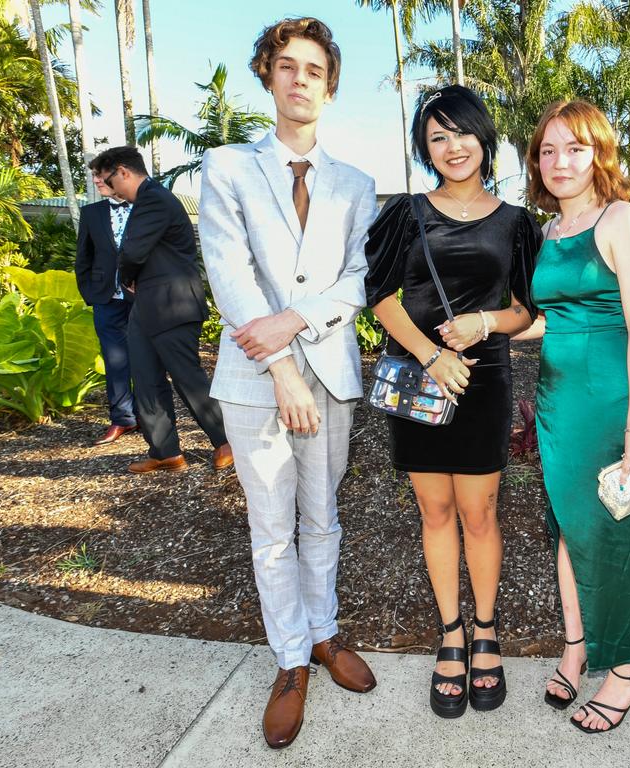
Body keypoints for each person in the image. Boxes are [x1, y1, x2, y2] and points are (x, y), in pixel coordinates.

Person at [197, 17, 377, 750]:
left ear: (329, 87)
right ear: (268, 77)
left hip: (330, 367)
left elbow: (360, 278)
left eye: (313, 69)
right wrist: (276, 362)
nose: (300, 79)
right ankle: (291, 659)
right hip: (253, 375)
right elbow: (229, 270)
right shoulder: (227, 166)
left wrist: (293, 321)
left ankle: (325, 631)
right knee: (271, 528)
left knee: (323, 514)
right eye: (287, 67)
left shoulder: (357, 183)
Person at [364, 85, 541, 718]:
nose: (451, 146)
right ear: (424, 149)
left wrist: (485, 325)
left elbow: (525, 309)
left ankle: (487, 631)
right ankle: (451, 634)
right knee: (435, 512)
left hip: (484, 383)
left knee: (481, 514)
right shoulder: (404, 213)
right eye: (436, 137)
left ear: (483, 138)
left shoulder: (517, 223)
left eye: (461, 133)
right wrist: (432, 355)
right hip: (420, 380)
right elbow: (381, 296)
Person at [518, 99, 630, 734]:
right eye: (547, 150)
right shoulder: (547, 232)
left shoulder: (621, 219)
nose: (559, 162)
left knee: (619, 534)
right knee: (570, 529)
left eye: (573, 147)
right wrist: (486, 332)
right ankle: (577, 648)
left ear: (598, 152)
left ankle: (627, 673)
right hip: (556, 402)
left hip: (608, 404)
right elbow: (557, 319)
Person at [91, 145, 233, 475]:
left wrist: (127, 279)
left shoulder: (154, 198)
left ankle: (227, 441)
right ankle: (165, 451)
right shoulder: (144, 202)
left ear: (124, 171)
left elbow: (132, 250)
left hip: (173, 303)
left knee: (187, 376)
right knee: (145, 377)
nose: (110, 188)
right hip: (147, 306)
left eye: (110, 180)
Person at [75, 165, 137, 445]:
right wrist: (91, 293)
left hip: (143, 299)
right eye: (94, 176)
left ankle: (152, 418)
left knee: (147, 359)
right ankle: (122, 419)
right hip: (106, 299)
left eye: (102, 175)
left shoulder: (146, 208)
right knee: (114, 361)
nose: (97, 180)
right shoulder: (91, 213)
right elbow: (84, 257)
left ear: (120, 175)